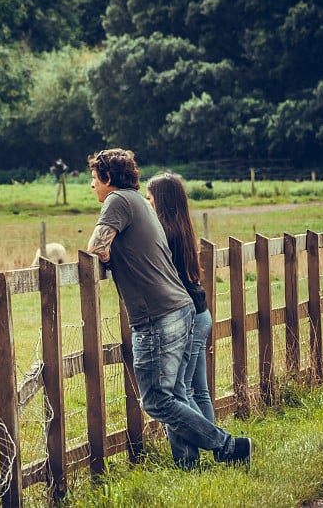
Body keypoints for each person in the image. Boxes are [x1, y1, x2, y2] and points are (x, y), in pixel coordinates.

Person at [86, 148, 250, 469]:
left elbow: (96, 247)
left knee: (157, 400)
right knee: (175, 392)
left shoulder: (117, 201)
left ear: (107, 177)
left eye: (94, 178)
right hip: (180, 308)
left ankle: (230, 446)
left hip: (156, 316)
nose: (92, 185)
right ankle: (189, 465)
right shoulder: (140, 204)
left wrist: (108, 257)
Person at [146, 172, 215, 424]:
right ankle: (219, 450)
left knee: (181, 391)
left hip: (188, 317)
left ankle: (220, 443)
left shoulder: (163, 233)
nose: (148, 205)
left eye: (150, 200)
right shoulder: (182, 227)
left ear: (161, 201)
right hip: (201, 311)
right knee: (201, 390)